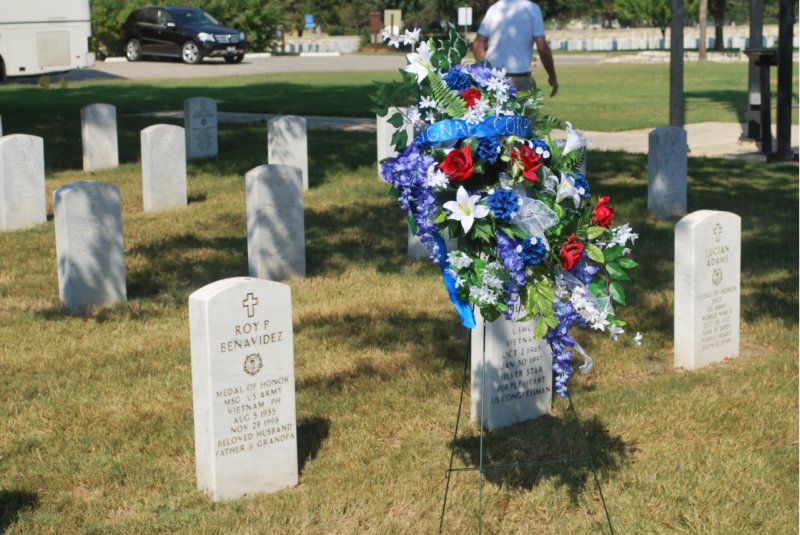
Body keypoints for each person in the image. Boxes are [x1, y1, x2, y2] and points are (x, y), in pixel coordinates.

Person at [472, 0, 559, 96]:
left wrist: (486, 73)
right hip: (520, 79)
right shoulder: (532, 9)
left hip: (493, 79)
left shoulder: (494, 9)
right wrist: (552, 77)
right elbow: (542, 49)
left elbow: (477, 46)